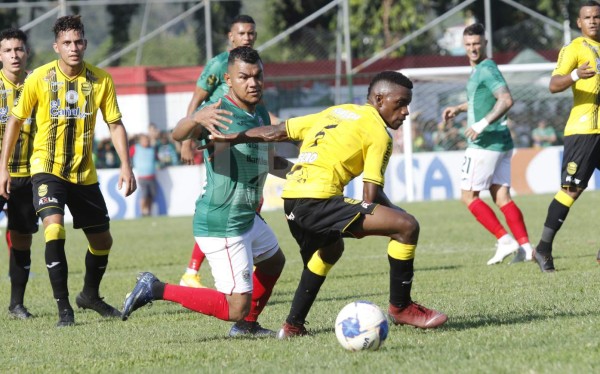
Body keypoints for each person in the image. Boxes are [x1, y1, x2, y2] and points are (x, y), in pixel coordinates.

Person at [206, 70, 448, 337]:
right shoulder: (379, 133)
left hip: (292, 201)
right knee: (406, 226)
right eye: (400, 103)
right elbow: (371, 196)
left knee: (330, 251)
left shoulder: (337, 111)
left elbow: (276, 132)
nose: (406, 112)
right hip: (317, 201)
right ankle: (402, 308)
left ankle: (292, 326)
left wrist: (233, 136)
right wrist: (399, 214)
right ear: (379, 99)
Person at [122, 47, 292, 337]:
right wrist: (196, 119)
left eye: (257, 76)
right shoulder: (219, 112)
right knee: (234, 306)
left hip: (246, 215)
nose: (253, 83)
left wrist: (302, 172)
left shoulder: (260, 111)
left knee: (274, 261)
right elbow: (178, 133)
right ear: (228, 79)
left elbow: (267, 159)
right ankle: (156, 288)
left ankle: (247, 326)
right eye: (244, 77)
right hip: (223, 221)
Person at [0, 15, 137, 327]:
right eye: (66, 43)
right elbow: (16, 120)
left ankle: (89, 295)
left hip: (83, 174)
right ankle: (64, 310)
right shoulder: (40, 78)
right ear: (56, 47)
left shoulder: (101, 80)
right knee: (53, 228)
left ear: (85, 44)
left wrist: (126, 166)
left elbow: (115, 124)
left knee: (103, 242)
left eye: (78, 42)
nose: (73, 48)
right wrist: (4, 167)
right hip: (46, 169)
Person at [441, 23, 533, 265]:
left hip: (485, 143)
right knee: (501, 196)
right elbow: (480, 100)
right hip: (501, 142)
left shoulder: (486, 68)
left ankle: (504, 240)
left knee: (468, 196)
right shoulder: (479, 70)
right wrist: (459, 109)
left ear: (485, 43)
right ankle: (526, 247)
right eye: (469, 44)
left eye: (477, 44)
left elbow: (506, 99)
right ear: (464, 45)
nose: (472, 48)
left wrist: (480, 124)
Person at [179, 15, 259, 289]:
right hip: (220, 133)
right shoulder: (217, 64)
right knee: (226, 195)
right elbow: (197, 100)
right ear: (230, 36)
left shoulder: (252, 63)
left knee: (253, 195)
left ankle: (245, 252)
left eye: (251, 33)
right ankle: (192, 272)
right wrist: (187, 139)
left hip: (243, 128)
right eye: (242, 33)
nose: (247, 37)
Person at [534, 1, 600, 272]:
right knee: (571, 191)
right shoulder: (575, 48)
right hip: (583, 131)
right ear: (579, 22)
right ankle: (543, 248)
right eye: (588, 17)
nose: (593, 21)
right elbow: (553, 84)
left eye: (597, 16)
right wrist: (575, 74)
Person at [0, 28, 38, 319]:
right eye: (8, 50)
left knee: (21, 238)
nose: (14, 55)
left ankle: (16, 304)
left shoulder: (39, 84)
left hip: (27, 176)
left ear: (27, 53)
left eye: (19, 49)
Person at [132, 134, 157, 217]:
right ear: (140, 141)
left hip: (152, 176)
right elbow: (127, 156)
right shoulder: (135, 148)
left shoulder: (152, 149)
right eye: (145, 140)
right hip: (142, 177)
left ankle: (148, 212)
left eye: (148, 140)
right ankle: (143, 212)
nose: (147, 142)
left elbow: (156, 160)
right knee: (144, 194)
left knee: (151, 195)